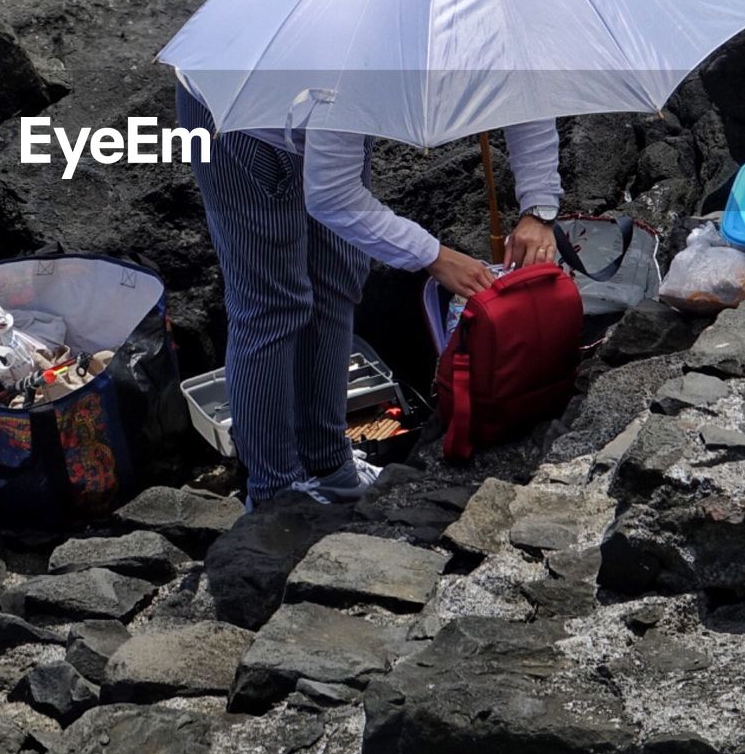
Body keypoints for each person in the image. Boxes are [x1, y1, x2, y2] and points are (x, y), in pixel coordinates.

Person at [175, 74, 561, 509]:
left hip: (321, 111)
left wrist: (539, 206)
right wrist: (434, 256)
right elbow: (334, 197)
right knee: (273, 305)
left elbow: (523, 85)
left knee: (338, 281)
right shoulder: (355, 53)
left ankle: (329, 466)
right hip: (238, 116)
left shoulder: (475, 17)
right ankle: (274, 497)